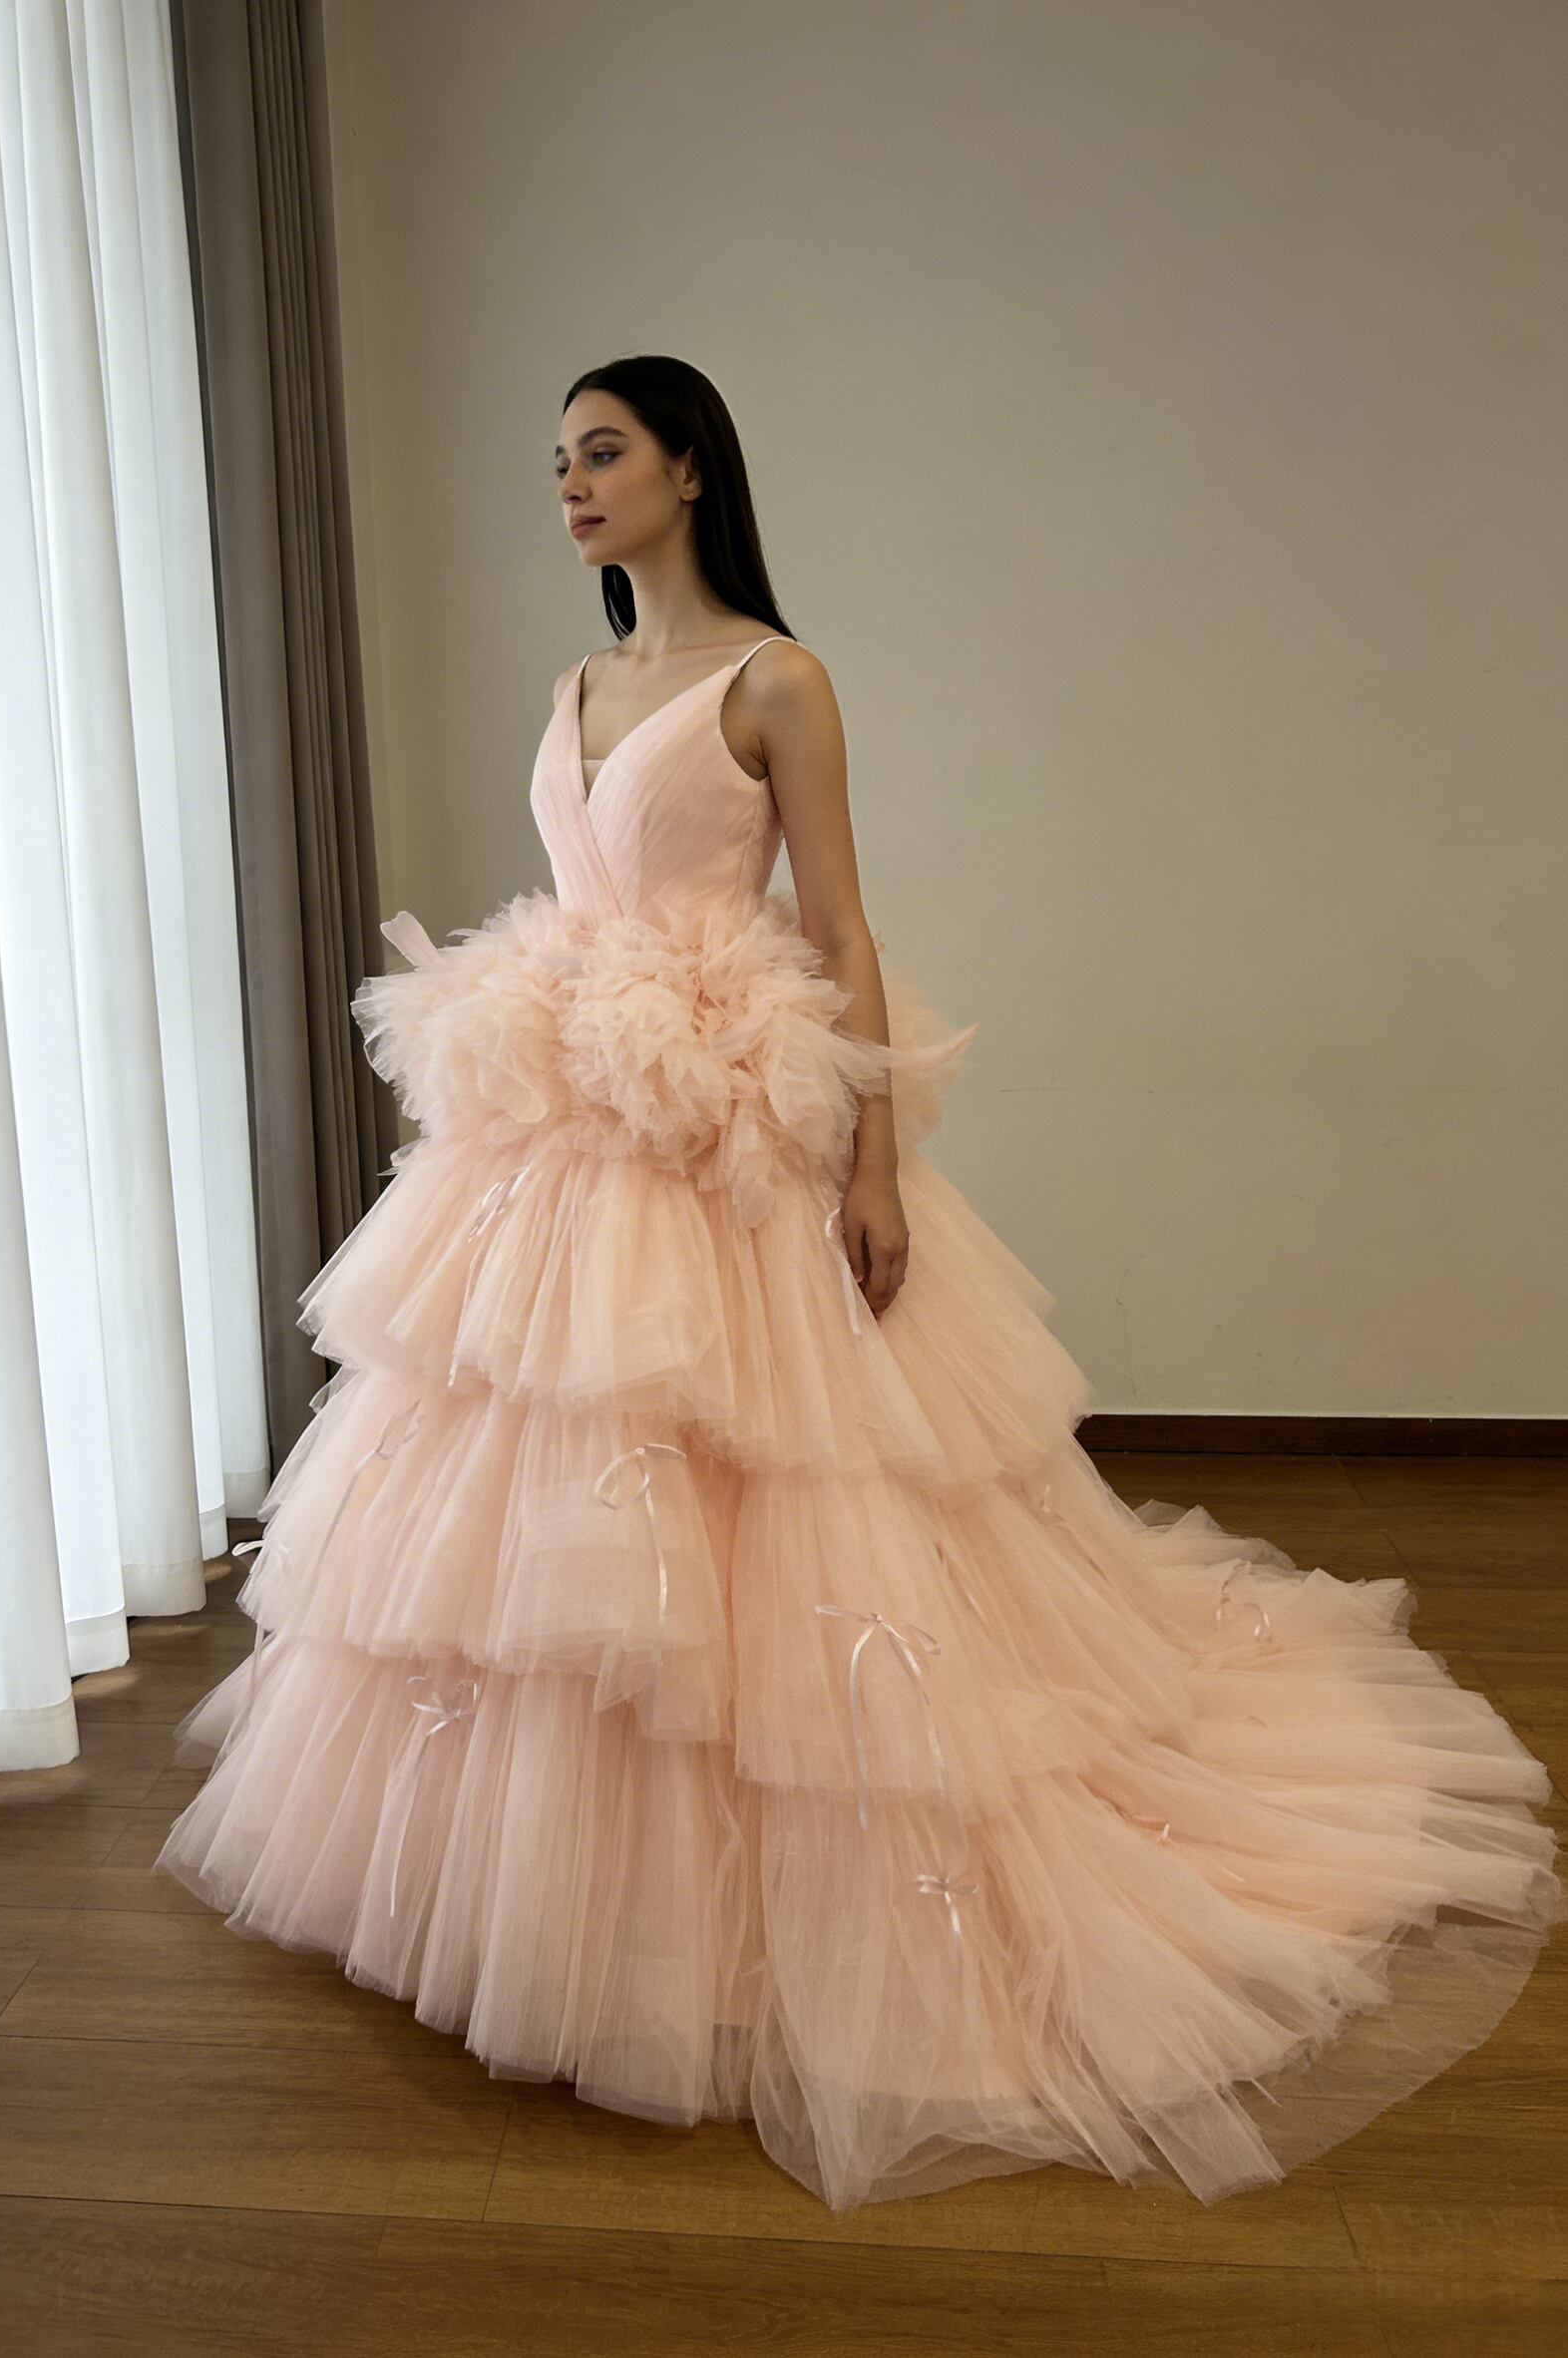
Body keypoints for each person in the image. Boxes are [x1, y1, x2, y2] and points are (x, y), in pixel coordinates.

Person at [155, 354, 1563, 2214]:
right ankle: (543, 1894)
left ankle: (767, 1911)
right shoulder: (577, 683)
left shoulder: (776, 680)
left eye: (602, 453)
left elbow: (835, 921)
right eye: (557, 459)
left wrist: (873, 1159)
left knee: (783, 1502)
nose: (569, 483)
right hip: (567, 1130)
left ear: (689, 470)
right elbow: (582, 898)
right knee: (544, 1519)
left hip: (729, 1132)